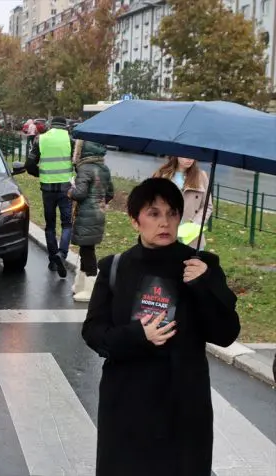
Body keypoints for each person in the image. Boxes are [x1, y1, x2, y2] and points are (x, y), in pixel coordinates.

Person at [81, 177, 240, 476]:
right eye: (153, 213)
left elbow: (226, 333)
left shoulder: (201, 266)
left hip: (183, 408)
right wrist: (138, 335)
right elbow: (93, 332)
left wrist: (206, 285)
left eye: (172, 213)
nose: (164, 222)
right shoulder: (115, 267)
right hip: (127, 408)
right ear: (134, 220)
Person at [26, 116, 75, 278]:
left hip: (47, 188)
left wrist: (41, 174)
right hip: (65, 189)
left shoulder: (41, 139)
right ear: (66, 126)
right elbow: (77, 163)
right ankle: (62, 254)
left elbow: (30, 164)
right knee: (67, 224)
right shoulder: (71, 140)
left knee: (50, 225)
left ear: (50, 126)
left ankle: (53, 260)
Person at [69, 140, 114, 302]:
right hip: (98, 213)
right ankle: (80, 285)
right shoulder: (104, 168)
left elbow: (80, 193)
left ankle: (90, 288)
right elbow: (110, 193)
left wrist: (70, 191)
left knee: (88, 253)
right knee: (86, 249)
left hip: (86, 214)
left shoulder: (85, 168)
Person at [152, 156, 213, 250]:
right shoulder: (161, 174)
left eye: (193, 155)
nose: (189, 159)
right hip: (165, 230)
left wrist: (195, 224)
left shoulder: (201, 176)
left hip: (191, 237)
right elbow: (151, 202)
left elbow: (207, 206)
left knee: (191, 263)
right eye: (185, 155)